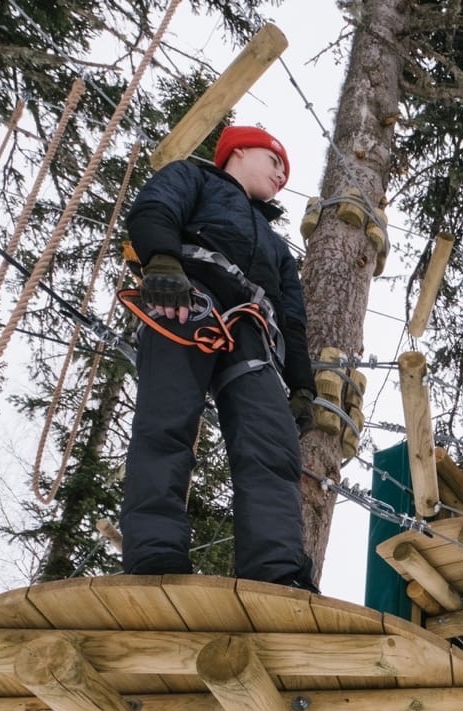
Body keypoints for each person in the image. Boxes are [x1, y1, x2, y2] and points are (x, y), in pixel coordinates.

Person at [120, 124, 317, 589]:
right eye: (274, 162)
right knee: (166, 422)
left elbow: (292, 316)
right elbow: (154, 208)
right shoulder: (195, 179)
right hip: (188, 300)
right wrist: (163, 260)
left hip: (254, 331)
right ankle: (155, 556)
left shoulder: (276, 244)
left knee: (272, 447)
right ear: (239, 151)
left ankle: (276, 571)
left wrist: (302, 383)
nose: (281, 175)